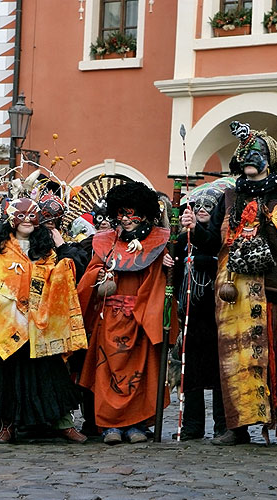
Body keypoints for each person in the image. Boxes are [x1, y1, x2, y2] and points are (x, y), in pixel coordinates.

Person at [181, 121, 277, 449]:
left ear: (270, 158)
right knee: (239, 361)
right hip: (237, 295)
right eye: (246, 153)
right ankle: (238, 427)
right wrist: (196, 229)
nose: (250, 158)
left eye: (257, 153)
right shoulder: (230, 197)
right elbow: (217, 245)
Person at [0, 197, 88, 444]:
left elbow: (64, 275)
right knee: (7, 378)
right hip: (8, 323)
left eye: (31, 215)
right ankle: (7, 426)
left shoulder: (47, 251)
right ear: (11, 219)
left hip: (40, 324)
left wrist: (61, 245)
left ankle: (64, 423)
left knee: (50, 375)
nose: (26, 220)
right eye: (20, 215)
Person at [77, 182, 177, 445]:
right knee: (106, 371)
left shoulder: (158, 243)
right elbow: (89, 275)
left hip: (141, 317)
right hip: (109, 319)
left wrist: (167, 266)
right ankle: (109, 425)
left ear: (144, 214)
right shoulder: (104, 242)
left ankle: (136, 424)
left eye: (132, 214)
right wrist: (98, 275)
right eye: (121, 213)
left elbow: (162, 283)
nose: (126, 219)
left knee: (141, 373)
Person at [173, 180, 230, 440]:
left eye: (210, 205)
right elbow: (175, 269)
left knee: (220, 371)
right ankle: (192, 425)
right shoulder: (183, 238)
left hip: (218, 310)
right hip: (192, 314)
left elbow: (216, 254)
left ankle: (223, 425)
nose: (203, 209)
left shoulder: (223, 235)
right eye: (198, 206)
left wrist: (199, 258)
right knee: (191, 370)